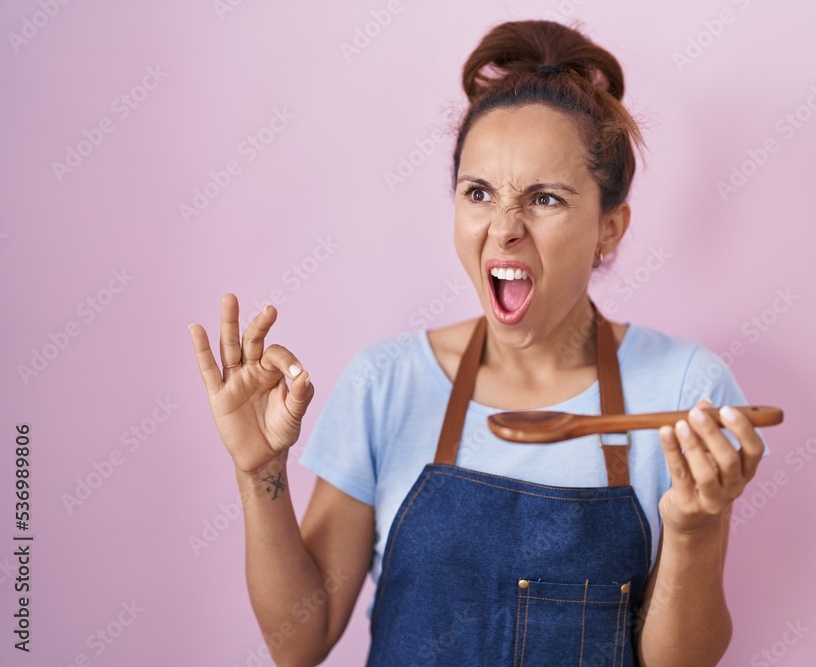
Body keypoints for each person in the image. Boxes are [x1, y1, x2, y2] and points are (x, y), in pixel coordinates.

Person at [189, 19, 772, 667]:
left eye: (545, 198)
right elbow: (299, 641)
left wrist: (695, 526)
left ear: (610, 229)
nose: (504, 229)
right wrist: (259, 471)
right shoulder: (385, 383)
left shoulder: (687, 391)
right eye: (479, 193)